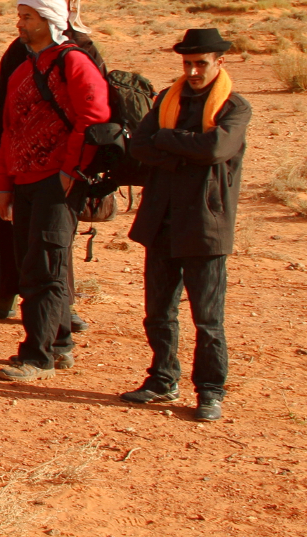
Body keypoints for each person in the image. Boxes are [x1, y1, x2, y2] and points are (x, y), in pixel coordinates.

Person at [122, 28, 250, 423]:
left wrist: (167, 141)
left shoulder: (234, 106)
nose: (193, 71)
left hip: (205, 225)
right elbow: (138, 146)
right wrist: (183, 147)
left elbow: (216, 149)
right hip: (162, 221)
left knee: (207, 319)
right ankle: (162, 379)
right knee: (158, 312)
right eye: (188, 63)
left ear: (219, 62)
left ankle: (210, 391)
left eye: (201, 63)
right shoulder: (165, 100)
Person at [0, 0, 110, 383]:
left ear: (48, 20)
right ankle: (58, 345)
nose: (20, 23)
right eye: (20, 16)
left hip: (57, 183)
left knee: (45, 266)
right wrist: (4, 185)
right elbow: (9, 129)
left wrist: (69, 170)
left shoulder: (73, 62)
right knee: (37, 265)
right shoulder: (24, 68)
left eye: (27, 16)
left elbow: (94, 116)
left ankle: (37, 356)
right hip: (25, 179)